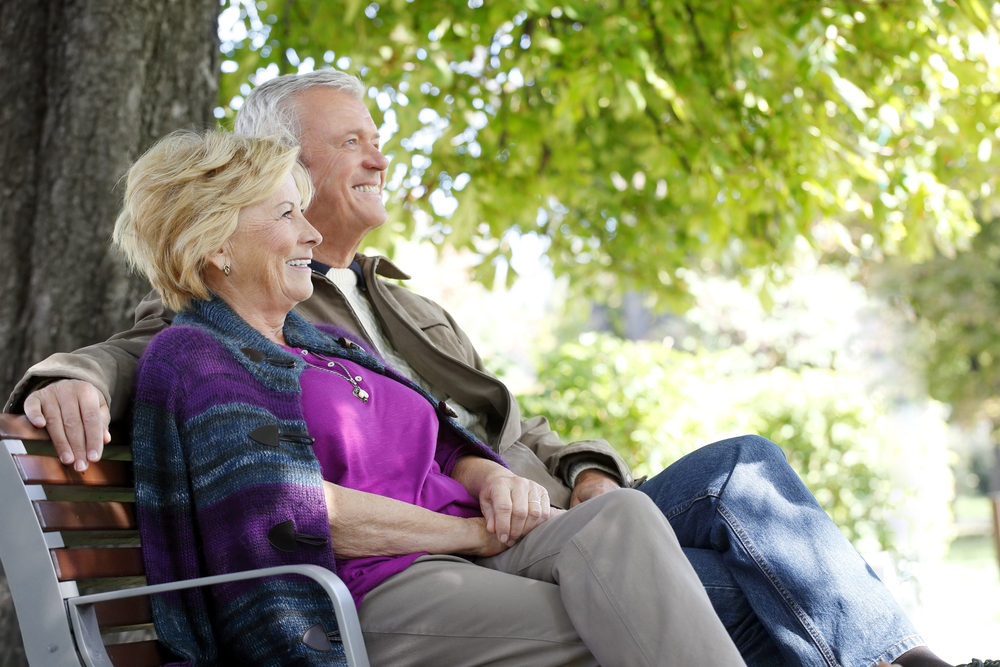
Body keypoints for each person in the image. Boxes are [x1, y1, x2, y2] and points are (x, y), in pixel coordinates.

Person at [4, 70, 978, 667]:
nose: (377, 155)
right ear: (269, 174)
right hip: (420, 567)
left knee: (723, 486)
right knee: (718, 583)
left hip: (527, 517)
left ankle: (884, 657)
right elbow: (157, 359)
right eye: (350, 142)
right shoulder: (227, 337)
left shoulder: (389, 311)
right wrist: (67, 375)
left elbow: (483, 426)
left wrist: (574, 474)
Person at [115, 127, 746, 666]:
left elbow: (442, 440)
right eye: (286, 215)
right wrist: (468, 534)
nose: (311, 234)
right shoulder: (199, 358)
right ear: (215, 245)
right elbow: (298, 510)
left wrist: (488, 476)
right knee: (614, 618)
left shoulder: (323, 343)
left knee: (623, 515)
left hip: (470, 547)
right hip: (372, 589)